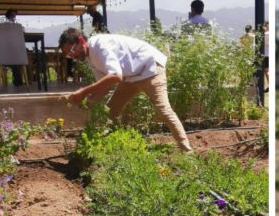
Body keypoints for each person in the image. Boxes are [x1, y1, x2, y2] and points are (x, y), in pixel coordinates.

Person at [58, 28, 192, 152]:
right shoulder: (90, 58)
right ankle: (115, 147)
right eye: (68, 55)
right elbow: (105, 85)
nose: (72, 56)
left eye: (72, 51)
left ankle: (186, 150)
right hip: (131, 76)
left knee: (163, 110)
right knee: (111, 111)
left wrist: (83, 92)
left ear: (81, 41)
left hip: (150, 68)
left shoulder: (99, 45)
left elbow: (116, 76)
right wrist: (88, 102)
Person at [0, 9, 26, 86]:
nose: (13, 17)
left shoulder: (1, 28)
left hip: (3, 55)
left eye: (14, 15)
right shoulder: (18, 28)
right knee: (17, 57)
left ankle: (19, 80)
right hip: (12, 54)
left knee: (15, 57)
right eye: (12, 15)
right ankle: (20, 80)